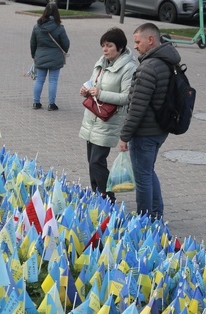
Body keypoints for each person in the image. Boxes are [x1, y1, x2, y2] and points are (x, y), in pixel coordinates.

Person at [118, 23, 181, 219]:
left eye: (138, 42)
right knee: (148, 171)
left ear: (150, 40)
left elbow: (137, 107)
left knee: (142, 177)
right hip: (161, 128)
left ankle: (144, 219)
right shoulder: (169, 61)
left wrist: (124, 136)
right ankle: (156, 213)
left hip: (145, 131)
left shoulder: (148, 68)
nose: (135, 46)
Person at [79, 27, 136, 204]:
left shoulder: (128, 68)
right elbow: (93, 84)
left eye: (109, 45)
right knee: (92, 161)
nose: (105, 49)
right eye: (103, 45)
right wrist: (86, 91)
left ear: (119, 48)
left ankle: (107, 196)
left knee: (97, 160)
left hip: (109, 120)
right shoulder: (101, 64)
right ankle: (97, 193)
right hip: (93, 116)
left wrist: (100, 93)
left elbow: (127, 97)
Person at [30, 2, 69, 111]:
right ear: (57, 13)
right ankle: (51, 104)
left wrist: (34, 55)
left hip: (40, 56)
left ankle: (36, 102)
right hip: (55, 58)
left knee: (39, 80)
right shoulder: (60, 28)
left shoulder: (37, 27)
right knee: (53, 81)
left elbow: (33, 43)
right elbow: (66, 44)